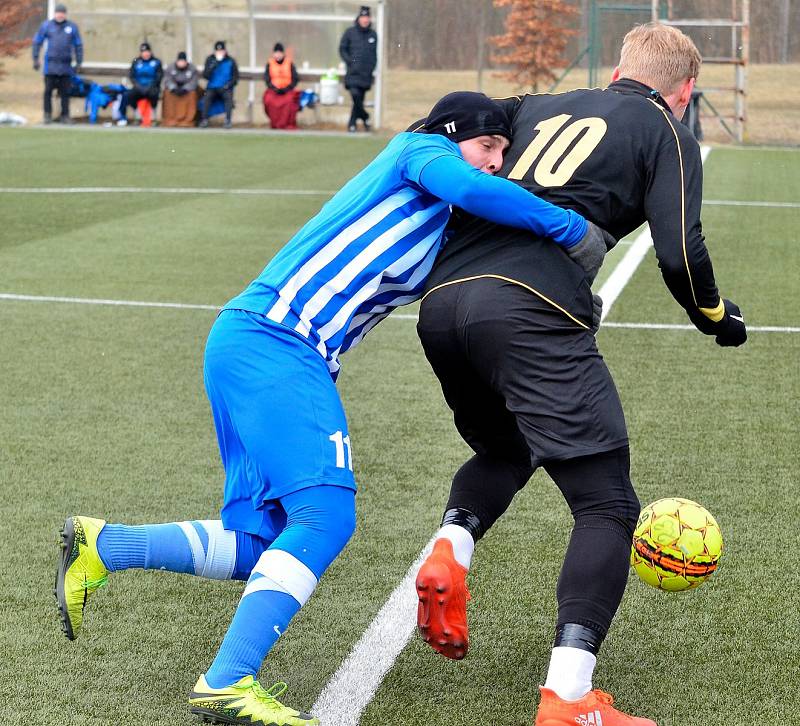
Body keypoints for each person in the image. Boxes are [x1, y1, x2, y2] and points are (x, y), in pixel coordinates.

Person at [54, 91, 613, 726]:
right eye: (488, 148)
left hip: (256, 343)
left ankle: (105, 546)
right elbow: (472, 185)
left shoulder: (434, 218)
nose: (494, 163)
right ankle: (227, 681)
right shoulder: (422, 150)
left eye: (502, 154)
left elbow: (479, 251)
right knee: (325, 516)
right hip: (278, 341)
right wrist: (568, 227)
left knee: (255, 541)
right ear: (453, 136)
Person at [413, 23, 747, 726]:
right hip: (529, 307)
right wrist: (716, 316)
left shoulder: (535, 106)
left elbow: (440, 131)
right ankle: (567, 698)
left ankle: (451, 546)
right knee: (607, 505)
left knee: (506, 448)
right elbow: (681, 253)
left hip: (442, 304)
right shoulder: (667, 131)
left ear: (621, 68)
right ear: (684, 91)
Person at [32, 3, 83, 124]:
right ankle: (47, 115)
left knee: (65, 92)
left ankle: (65, 115)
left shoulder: (72, 27)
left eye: (62, 13)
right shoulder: (47, 26)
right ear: (55, 13)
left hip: (66, 66)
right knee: (48, 91)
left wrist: (79, 62)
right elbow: (37, 41)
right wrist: (35, 58)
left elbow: (78, 45)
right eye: (58, 12)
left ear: (65, 14)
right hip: (51, 66)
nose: (60, 15)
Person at [338, 5, 377, 133]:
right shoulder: (350, 32)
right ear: (358, 18)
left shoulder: (373, 34)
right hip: (353, 73)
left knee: (359, 99)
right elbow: (342, 48)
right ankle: (365, 116)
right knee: (355, 95)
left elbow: (374, 54)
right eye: (363, 17)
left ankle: (352, 124)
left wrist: (372, 67)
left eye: (367, 17)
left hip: (366, 74)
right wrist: (350, 61)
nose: (365, 20)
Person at [200, 41, 239, 129]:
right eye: (218, 51)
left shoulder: (230, 61)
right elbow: (205, 75)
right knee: (206, 98)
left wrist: (229, 85)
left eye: (221, 51)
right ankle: (204, 120)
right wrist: (212, 67)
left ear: (225, 51)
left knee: (228, 98)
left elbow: (235, 77)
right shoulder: (210, 59)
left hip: (225, 87)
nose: (219, 53)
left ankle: (227, 120)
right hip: (212, 87)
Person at [125, 42, 163, 127]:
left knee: (154, 94)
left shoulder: (157, 62)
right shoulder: (136, 61)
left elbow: (159, 76)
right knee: (129, 95)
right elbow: (132, 76)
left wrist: (151, 86)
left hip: (152, 87)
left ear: (150, 52)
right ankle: (137, 116)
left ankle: (153, 117)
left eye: (147, 51)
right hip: (139, 87)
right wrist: (138, 86)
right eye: (143, 52)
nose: (145, 53)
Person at [263, 43, 300, 130]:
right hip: (274, 90)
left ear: (283, 53)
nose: (278, 55)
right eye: (276, 53)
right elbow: (267, 79)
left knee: (290, 101)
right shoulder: (270, 63)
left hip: (287, 90)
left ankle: (286, 124)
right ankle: (275, 123)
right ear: (273, 54)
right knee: (269, 100)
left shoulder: (289, 63)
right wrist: (274, 88)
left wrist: (287, 88)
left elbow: (295, 78)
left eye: (280, 53)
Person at [162, 51, 199, 128]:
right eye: (180, 61)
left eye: (183, 61)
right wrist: (173, 88)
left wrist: (185, 89)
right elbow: (167, 80)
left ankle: (187, 120)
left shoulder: (192, 68)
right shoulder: (170, 67)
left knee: (192, 94)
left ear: (186, 62)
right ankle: (171, 119)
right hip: (175, 89)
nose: (181, 63)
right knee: (167, 93)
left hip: (187, 89)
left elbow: (194, 81)